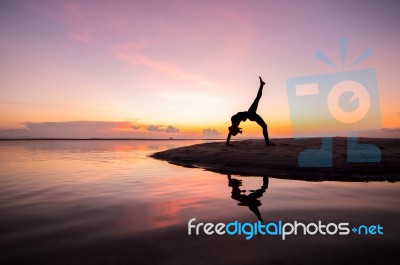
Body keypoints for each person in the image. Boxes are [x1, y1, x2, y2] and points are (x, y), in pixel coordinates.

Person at [226, 76, 274, 146]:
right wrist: (238, 131)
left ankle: (267, 142)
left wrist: (227, 143)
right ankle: (261, 85)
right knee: (257, 99)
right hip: (250, 114)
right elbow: (232, 130)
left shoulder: (234, 123)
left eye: (236, 131)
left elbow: (230, 132)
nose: (237, 129)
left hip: (250, 114)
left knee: (264, 126)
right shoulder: (234, 122)